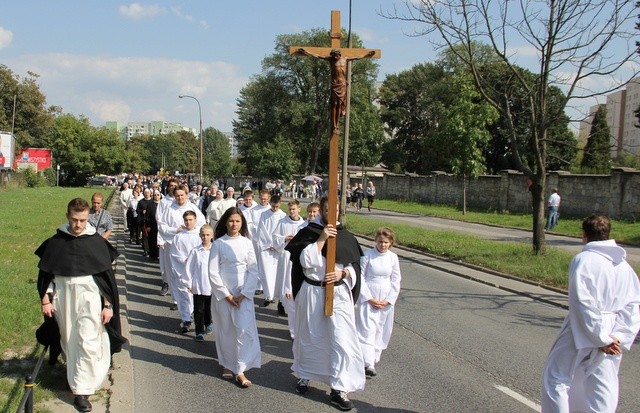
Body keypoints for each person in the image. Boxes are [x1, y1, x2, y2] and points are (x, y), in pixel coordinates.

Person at [541, 214, 640, 413]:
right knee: (603, 384)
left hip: (585, 326)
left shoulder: (584, 260)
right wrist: (618, 336)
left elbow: (581, 302)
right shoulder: (624, 267)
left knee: (557, 378)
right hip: (614, 330)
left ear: (584, 235)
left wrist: (600, 338)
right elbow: (633, 305)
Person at [35, 198, 126, 412]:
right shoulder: (56, 242)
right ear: (67, 216)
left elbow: (105, 279)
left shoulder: (95, 241)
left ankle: (81, 392)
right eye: (75, 220)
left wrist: (108, 305)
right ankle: (76, 376)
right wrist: (46, 299)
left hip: (89, 297)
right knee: (69, 340)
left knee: (87, 339)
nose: (78, 225)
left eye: (83, 220)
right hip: (63, 298)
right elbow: (47, 276)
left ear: (88, 218)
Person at [285, 196, 365, 411]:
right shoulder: (308, 232)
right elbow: (304, 262)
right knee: (310, 336)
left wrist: (344, 272)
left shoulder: (346, 236)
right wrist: (321, 239)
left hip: (338, 294)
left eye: (337, 209)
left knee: (341, 339)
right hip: (312, 291)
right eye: (329, 209)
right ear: (321, 210)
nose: (333, 212)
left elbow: (356, 268)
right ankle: (304, 374)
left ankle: (339, 388)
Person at [208, 207, 261, 388]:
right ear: (225, 222)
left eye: (238, 221)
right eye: (231, 221)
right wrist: (227, 295)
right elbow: (213, 272)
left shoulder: (247, 243)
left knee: (242, 330)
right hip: (225, 294)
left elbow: (253, 269)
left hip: (243, 294)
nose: (234, 224)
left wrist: (245, 293)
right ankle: (226, 363)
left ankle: (240, 368)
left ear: (242, 223)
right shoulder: (218, 244)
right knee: (226, 330)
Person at [355, 227, 401, 378]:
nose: (383, 245)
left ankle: (374, 357)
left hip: (385, 297)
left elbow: (396, 279)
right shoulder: (367, 256)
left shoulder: (393, 258)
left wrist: (388, 300)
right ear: (375, 241)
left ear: (391, 243)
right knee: (367, 329)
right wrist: (369, 297)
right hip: (370, 296)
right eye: (380, 242)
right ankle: (368, 363)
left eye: (386, 242)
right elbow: (360, 277)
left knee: (380, 329)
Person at [297, 47, 375, 131]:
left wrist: (367, 54)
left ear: (339, 54)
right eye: (333, 55)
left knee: (340, 104)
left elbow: (357, 57)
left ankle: (337, 124)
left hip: (342, 84)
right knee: (334, 104)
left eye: (335, 55)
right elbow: (317, 56)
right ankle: (334, 124)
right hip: (335, 84)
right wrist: (306, 52)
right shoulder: (331, 60)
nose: (334, 57)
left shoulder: (345, 59)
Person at [273, 199, 306, 328]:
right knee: (284, 282)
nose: (291, 212)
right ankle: (281, 302)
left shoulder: (303, 224)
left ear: (299, 209)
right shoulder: (282, 223)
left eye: (294, 209)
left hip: (297, 257)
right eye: (290, 209)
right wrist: (285, 238)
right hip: (286, 255)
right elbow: (275, 237)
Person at [170, 210, 202, 334]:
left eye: (190, 220)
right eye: (186, 220)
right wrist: (185, 260)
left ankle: (198, 316)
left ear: (195, 220)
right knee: (183, 295)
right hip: (182, 269)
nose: (188, 222)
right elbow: (174, 253)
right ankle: (186, 319)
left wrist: (193, 261)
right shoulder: (179, 236)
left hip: (197, 270)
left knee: (196, 295)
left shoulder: (199, 235)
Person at [185, 224, 215, 342]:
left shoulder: (215, 250)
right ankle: (199, 331)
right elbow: (189, 267)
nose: (205, 237)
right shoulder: (195, 251)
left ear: (212, 236)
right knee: (198, 309)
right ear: (199, 236)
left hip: (211, 285)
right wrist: (188, 283)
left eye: (207, 235)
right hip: (198, 284)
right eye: (203, 235)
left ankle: (208, 322)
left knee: (209, 307)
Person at [256, 194, 286, 306]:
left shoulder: (283, 216)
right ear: (270, 203)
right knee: (266, 272)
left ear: (280, 204)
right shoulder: (264, 215)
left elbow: (283, 232)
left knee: (276, 273)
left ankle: (275, 295)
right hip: (266, 248)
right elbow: (261, 231)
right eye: (273, 206)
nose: (274, 208)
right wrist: (269, 244)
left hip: (278, 249)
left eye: (277, 207)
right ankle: (268, 296)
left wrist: (277, 244)